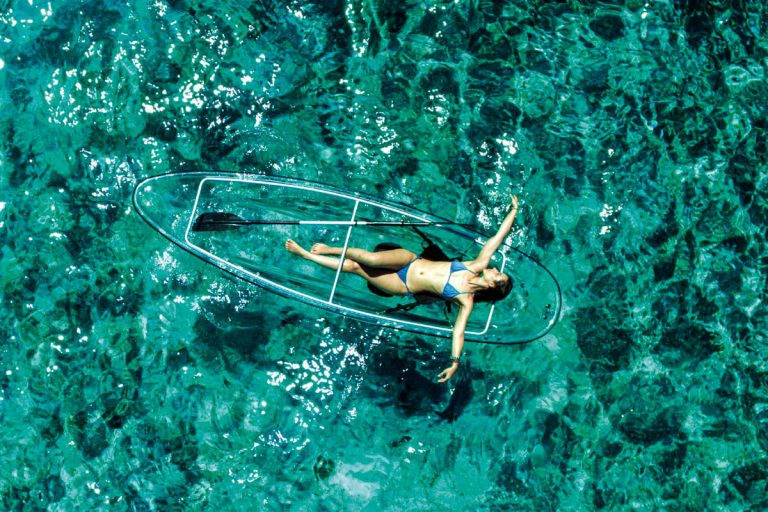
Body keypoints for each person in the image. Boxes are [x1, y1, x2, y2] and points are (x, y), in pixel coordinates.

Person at [285, 195, 519, 382]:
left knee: (356, 267)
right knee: (371, 258)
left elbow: (458, 332)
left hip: (403, 285)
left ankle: (305, 255)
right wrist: (513, 212)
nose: (494, 269)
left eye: (498, 274)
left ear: (492, 285)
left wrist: (454, 363)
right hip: (410, 261)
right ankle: (331, 249)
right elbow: (497, 238)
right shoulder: (476, 265)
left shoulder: (465, 300)